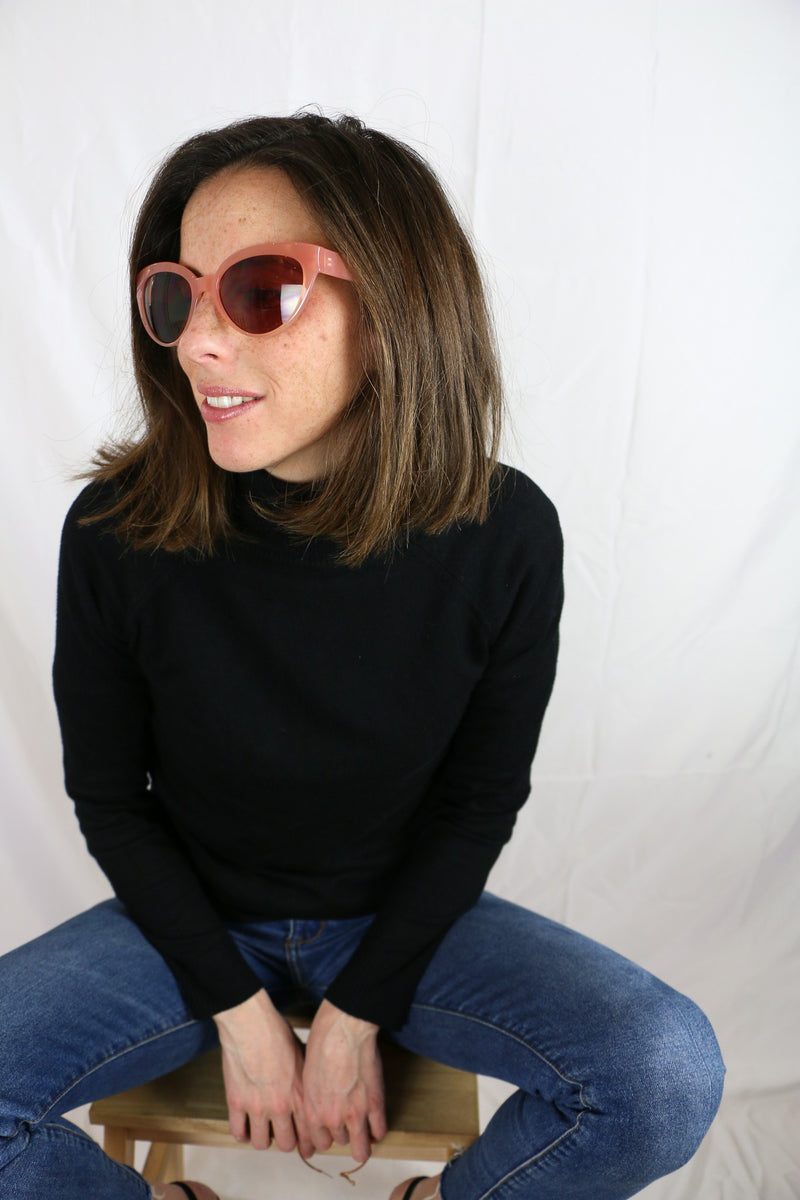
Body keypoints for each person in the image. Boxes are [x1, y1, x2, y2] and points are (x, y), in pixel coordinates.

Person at [0, 113, 724, 1200]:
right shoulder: (118, 527)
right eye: (177, 294)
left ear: (392, 307)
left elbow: (477, 802)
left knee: (662, 1071)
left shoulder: (504, 534)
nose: (196, 342)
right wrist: (239, 1013)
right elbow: (110, 798)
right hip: (186, 925)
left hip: (406, 928)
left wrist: (356, 1014)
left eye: (259, 289)